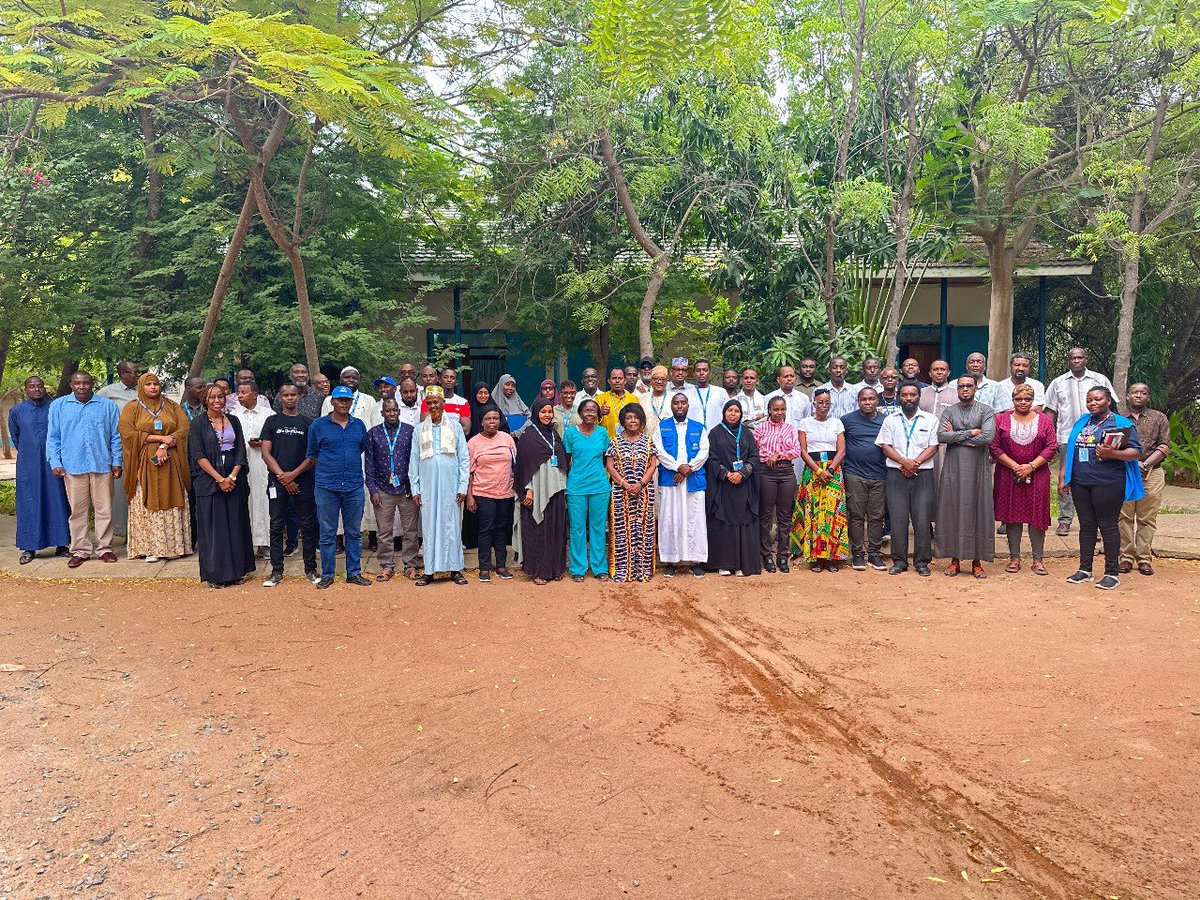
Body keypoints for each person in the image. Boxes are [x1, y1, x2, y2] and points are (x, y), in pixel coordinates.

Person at [1061, 387, 1143, 590]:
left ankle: (1111, 573)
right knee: (1087, 525)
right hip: (1081, 481)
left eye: (1098, 399)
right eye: (1089, 400)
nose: (1092, 403)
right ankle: (1085, 570)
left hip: (1108, 482)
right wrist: (1064, 475)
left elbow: (1136, 452)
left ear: (1108, 401)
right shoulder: (1083, 421)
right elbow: (1072, 447)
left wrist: (1113, 454)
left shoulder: (1121, 423)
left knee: (1108, 526)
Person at [47, 371, 122, 568]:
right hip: (73, 465)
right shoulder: (59, 406)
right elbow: (53, 436)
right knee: (77, 511)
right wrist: (55, 461)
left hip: (101, 464)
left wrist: (117, 461)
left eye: (86, 383)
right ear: (71, 385)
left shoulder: (107, 406)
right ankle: (80, 550)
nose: (82, 387)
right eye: (78, 383)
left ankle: (105, 548)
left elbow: (115, 436)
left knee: (104, 509)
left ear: (92, 384)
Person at [118, 373, 191, 563]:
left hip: (170, 460)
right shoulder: (132, 407)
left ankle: (173, 547)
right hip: (144, 463)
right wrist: (158, 438)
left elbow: (184, 428)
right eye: (148, 384)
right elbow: (126, 432)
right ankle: (149, 547)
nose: (153, 387)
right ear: (141, 387)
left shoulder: (171, 406)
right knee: (146, 499)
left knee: (172, 496)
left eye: (156, 384)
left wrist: (165, 445)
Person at [188, 384, 255, 587]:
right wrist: (220, 479)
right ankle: (217, 575)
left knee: (235, 525)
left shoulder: (233, 420)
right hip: (209, 481)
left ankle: (236, 572)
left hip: (234, 481)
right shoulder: (198, 423)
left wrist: (232, 477)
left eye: (220, 397)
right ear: (205, 400)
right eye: (212, 397)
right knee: (214, 529)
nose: (217, 401)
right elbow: (198, 455)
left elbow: (241, 450)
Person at [1044, 348, 1116, 536]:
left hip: (1097, 436)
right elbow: (1050, 411)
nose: (1077, 360)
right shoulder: (1057, 383)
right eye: (1073, 357)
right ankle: (1065, 519)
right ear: (1068, 360)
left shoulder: (1099, 380)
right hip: (1068, 436)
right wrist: (1051, 438)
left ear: (1086, 359)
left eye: (1080, 357)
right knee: (1066, 476)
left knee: (1096, 475)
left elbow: (1113, 406)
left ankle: (1098, 522)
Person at [307, 385, 372, 589]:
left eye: (347, 400)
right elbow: (312, 455)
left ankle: (353, 573)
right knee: (328, 533)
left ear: (351, 402)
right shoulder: (318, 426)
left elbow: (361, 449)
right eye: (339, 399)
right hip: (327, 486)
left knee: (354, 532)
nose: (343, 403)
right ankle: (327, 574)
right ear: (332, 401)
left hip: (353, 485)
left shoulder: (359, 426)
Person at [989, 383, 1056, 575]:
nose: (1023, 402)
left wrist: (1031, 466)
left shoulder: (1044, 420)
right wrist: (1015, 466)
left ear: (1033, 400)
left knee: (1037, 516)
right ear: (1013, 400)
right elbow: (994, 447)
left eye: (1027, 399)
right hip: (1008, 473)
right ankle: (1014, 558)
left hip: (1038, 473)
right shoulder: (1002, 419)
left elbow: (1051, 447)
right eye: (1019, 399)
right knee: (1012, 516)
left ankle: (1038, 560)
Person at [935, 376, 997, 577]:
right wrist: (970, 432)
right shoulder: (949, 410)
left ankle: (977, 562)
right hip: (954, 468)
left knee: (978, 509)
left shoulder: (985, 410)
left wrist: (958, 436)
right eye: (961, 386)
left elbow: (988, 437)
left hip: (978, 468)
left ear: (976, 387)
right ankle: (954, 560)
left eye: (969, 386)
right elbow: (942, 436)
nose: (964, 389)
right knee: (952, 508)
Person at [409, 386, 470, 586]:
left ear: (443, 403)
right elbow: (414, 461)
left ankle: (454, 569)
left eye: (437, 401)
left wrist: (463, 486)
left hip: (450, 485)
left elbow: (464, 458)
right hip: (427, 486)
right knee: (429, 526)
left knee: (451, 525)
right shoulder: (419, 429)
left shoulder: (455, 426)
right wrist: (415, 489)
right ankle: (429, 571)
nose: (433, 405)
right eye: (430, 402)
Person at [876, 382, 939, 576]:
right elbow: (885, 445)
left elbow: (933, 446)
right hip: (896, 474)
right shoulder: (890, 420)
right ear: (899, 397)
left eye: (913, 394)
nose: (909, 398)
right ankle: (899, 561)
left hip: (923, 474)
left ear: (919, 397)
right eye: (905, 395)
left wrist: (914, 463)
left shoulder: (930, 419)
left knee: (922, 520)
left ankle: (921, 562)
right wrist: (904, 462)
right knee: (898, 519)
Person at [260, 383, 319, 587]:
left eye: (293, 395)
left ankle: (310, 569)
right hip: (277, 481)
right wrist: (282, 476)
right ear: (280, 398)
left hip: (303, 480)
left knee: (308, 525)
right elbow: (266, 453)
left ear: (298, 398)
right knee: (276, 526)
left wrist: (293, 476)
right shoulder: (272, 421)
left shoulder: (308, 423)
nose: (290, 398)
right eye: (286, 395)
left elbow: (312, 456)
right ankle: (276, 571)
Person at [9, 376, 69, 563]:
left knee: (58, 500)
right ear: (26, 390)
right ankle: (29, 547)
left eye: (40, 386)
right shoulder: (17, 410)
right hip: (29, 465)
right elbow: (16, 436)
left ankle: (62, 544)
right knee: (29, 502)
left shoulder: (55, 407)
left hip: (55, 464)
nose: (36, 389)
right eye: (32, 386)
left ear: (44, 388)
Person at [792, 388, 849, 572]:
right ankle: (815, 557)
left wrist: (830, 469)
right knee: (814, 513)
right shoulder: (805, 423)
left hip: (833, 471)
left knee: (833, 513)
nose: (823, 406)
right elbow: (803, 450)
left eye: (827, 403)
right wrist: (818, 470)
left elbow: (842, 450)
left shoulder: (837, 423)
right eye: (820, 402)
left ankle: (832, 557)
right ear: (814, 403)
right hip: (812, 470)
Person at [366, 398, 421, 582]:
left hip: (406, 489)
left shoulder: (410, 431)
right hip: (382, 489)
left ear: (399, 411)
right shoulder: (373, 433)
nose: (391, 414)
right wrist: (372, 489)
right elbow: (369, 464)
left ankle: (410, 565)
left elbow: (416, 460)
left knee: (410, 531)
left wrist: (415, 488)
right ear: (382, 413)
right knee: (384, 531)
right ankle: (386, 566)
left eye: (394, 411)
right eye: (387, 411)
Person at [515, 398, 570, 584]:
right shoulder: (528, 435)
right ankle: (538, 571)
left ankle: (554, 568)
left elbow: (562, 461)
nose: (547, 415)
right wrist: (528, 490)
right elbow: (523, 465)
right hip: (537, 489)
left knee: (556, 529)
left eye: (549, 412)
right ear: (536, 413)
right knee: (538, 530)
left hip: (556, 489)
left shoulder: (555, 433)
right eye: (543, 412)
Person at [1118, 383, 1170, 576]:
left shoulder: (1159, 418)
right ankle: (1125, 557)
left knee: (1147, 518)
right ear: (1127, 396)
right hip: (1125, 472)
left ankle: (1144, 558)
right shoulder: (1118, 419)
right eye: (1134, 392)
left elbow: (1164, 446)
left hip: (1152, 473)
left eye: (1143, 393)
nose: (1138, 395)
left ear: (1148, 396)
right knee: (1124, 516)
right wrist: (1132, 463)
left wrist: (1145, 464)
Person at [656, 392, 710, 578]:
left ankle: (695, 561)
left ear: (688, 406)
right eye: (676, 403)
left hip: (693, 480)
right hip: (670, 480)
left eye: (683, 403)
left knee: (694, 519)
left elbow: (704, 451)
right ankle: (671, 560)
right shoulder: (661, 427)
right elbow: (659, 451)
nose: (679, 406)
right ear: (671, 406)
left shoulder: (699, 427)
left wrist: (688, 469)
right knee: (670, 519)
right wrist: (677, 467)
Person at [705, 400, 761, 576]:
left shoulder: (746, 433)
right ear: (724, 412)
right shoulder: (714, 433)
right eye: (730, 410)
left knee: (743, 522)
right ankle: (724, 563)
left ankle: (741, 565)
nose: (733, 414)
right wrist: (726, 474)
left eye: (736, 411)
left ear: (741, 414)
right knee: (724, 523)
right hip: (723, 486)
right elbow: (711, 458)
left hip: (744, 485)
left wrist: (743, 473)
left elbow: (754, 456)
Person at [605, 403, 658, 582]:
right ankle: (622, 570)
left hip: (644, 493)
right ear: (623, 421)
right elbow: (610, 466)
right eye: (629, 418)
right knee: (622, 532)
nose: (632, 421)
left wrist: (641, 484)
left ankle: (642, 571)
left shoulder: (648, 441)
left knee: (643, 530)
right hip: (621, 494)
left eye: (636, 417)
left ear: (641, 420)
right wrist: (625, 484)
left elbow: (653, 465)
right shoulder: (615, 441)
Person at [467, 408, 517, 582]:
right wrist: (470, 496)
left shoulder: (507, 439)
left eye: (495, 418)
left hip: (505, 491)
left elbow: (515, 464)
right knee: (486, 529)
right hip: (483, 492)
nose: (492, 422)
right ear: (481, 421)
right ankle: (484, 568)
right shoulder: (473, 442)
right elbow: (470, 472)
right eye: (488, 418)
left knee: (502, 529)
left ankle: (501, 566)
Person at [564, 399, 611, 581]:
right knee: (577, 529)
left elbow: (607, 459)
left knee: (598, 528)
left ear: (598, 414)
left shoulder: (602, 433)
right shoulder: (570, 434)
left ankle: (600, 568)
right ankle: (578, 568)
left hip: (599, 486)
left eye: (593, 410)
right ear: (580, 413)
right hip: (576, 487)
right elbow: (566, 460)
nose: (590, 414)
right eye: (586, 410)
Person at [841, 386, 888, 571]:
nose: (867, 402)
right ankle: (858, 553)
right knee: (856, 516)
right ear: (858, 401)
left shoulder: (886, 420)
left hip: (880, 474)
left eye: (871, 399)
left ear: (877, 401)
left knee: (876, 516)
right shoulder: (847, 420)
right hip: (855, 474)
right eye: (863, 399)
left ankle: (874, 554)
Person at [753, 396, 800, 573]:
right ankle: (766, 555)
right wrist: (769, 457)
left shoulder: (790, 429)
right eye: (776, 409)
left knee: (785, 516)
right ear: (769, 410)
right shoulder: (760, 429)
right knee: (765, 515)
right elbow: (755, 450)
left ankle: (782, 556)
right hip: (766, 473)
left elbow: (796, 450)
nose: (779, 413)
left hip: (786, 472)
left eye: (782, 409)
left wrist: (778, 455)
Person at [97, 360, 139, 536]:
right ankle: (122, 530)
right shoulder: (107, 393)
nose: (138, 375)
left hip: (142, 448)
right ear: (123, 374)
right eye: (134, 372)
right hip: (120, 449)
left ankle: (139, 531)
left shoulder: (143, 391)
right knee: (121, 493)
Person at [230, 381, 272, 557]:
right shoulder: (232, 416)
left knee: (264, 502)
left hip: (262, 465)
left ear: (255, 394)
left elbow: (275, 438)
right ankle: (246, 545)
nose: (239, 396)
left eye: (243, 392)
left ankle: (265, 543)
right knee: (243, 503)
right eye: (238, 393)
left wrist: (261, 443)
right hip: (240, 466)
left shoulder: (269, 415)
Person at [422, 367, 471, 435]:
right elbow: (424, 425)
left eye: (452, 378)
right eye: (445, 377)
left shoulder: (463, 402)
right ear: (439, 380)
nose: (449, 380)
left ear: (456, 382)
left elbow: (466, 430)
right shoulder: (428, 401)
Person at [597, 367, 639, 438]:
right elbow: (592, 423)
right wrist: (600, 414)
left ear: (625, 381)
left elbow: (639, 422)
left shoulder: (634, 399)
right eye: (614, 378)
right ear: (609, 381)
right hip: (606, 442)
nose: (617, 381)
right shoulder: (600, 398)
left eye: (620, 378)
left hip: (628, 442)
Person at [690, 359, 724, 429]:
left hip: (716, 435)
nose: (701, 373)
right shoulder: (687, 394)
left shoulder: (721, 392)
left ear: (710, 373)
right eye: (698, 370)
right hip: (694, 434)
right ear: (694, 374)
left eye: (705, 370)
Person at [643, 365, 673, 434]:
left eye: (663, 379)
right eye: (656, 379)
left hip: (668, 439)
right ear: (651, 380)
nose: (659, 382)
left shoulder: (673, 398)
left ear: (667, 381)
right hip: (648, 440)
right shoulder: (643, 398)